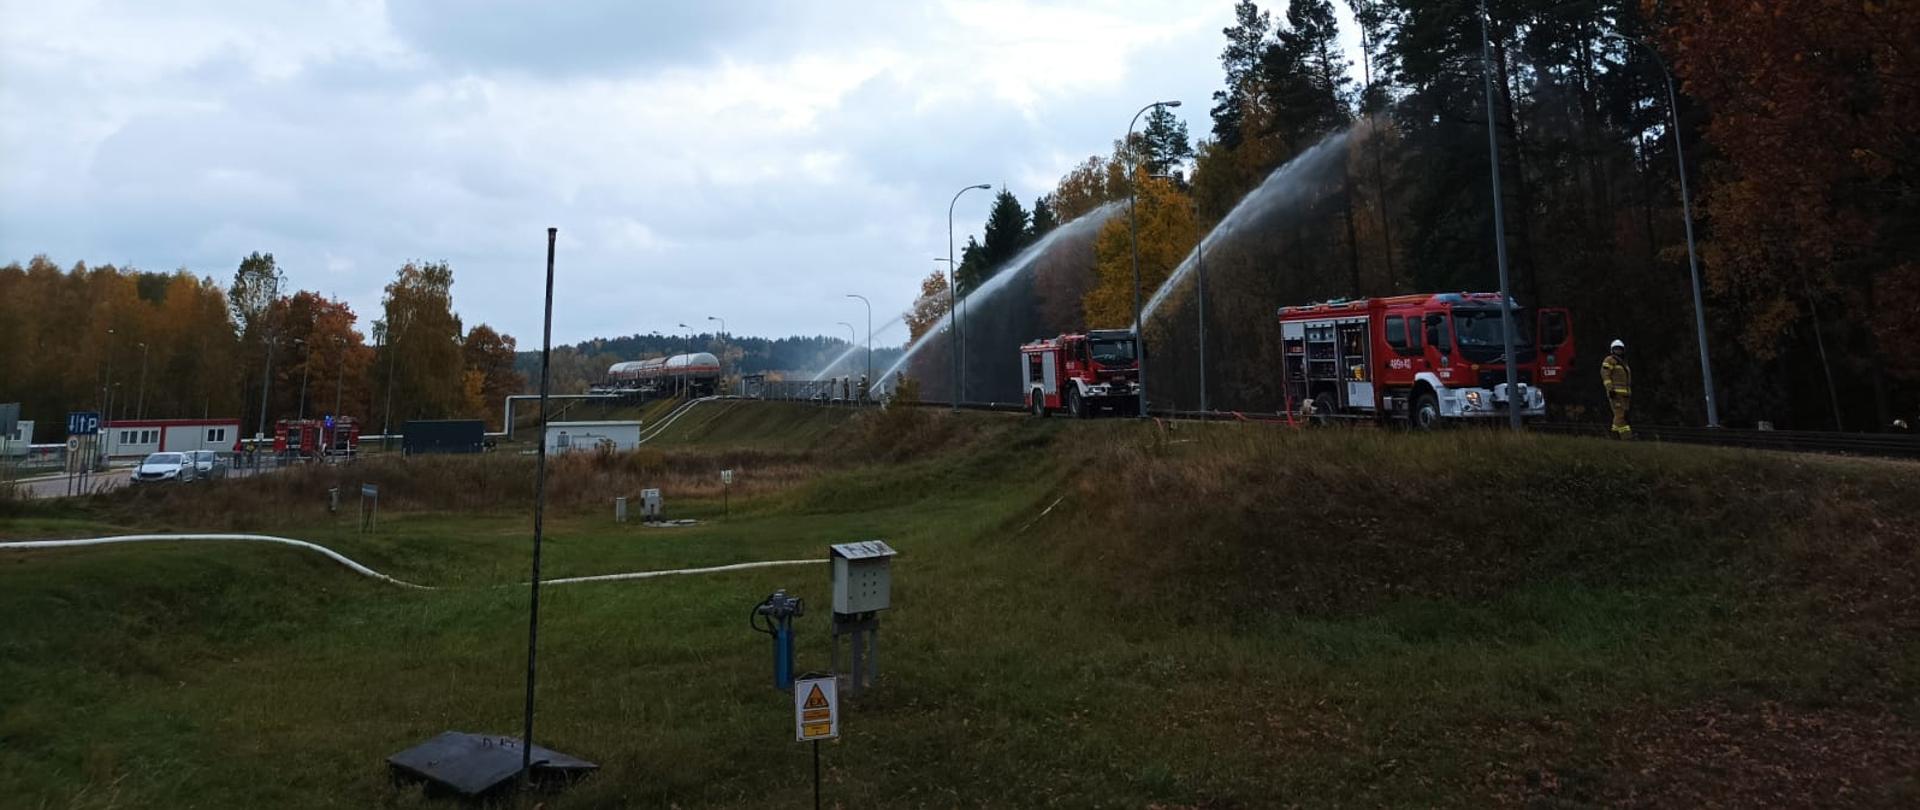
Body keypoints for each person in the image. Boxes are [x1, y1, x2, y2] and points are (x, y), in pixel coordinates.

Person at [1601, 339, 1633, 439]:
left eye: (1620, 349)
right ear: (1612, 350)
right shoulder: (1609, 360)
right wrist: (1610, 389)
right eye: (1616, 349)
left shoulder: (1624, 363)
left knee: (1622, 416)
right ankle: (1620, 436)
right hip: (1615, 393)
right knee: (1619, 415)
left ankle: (1620, 436)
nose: (1618, 351)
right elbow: (1605, 375)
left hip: (1625, 394)